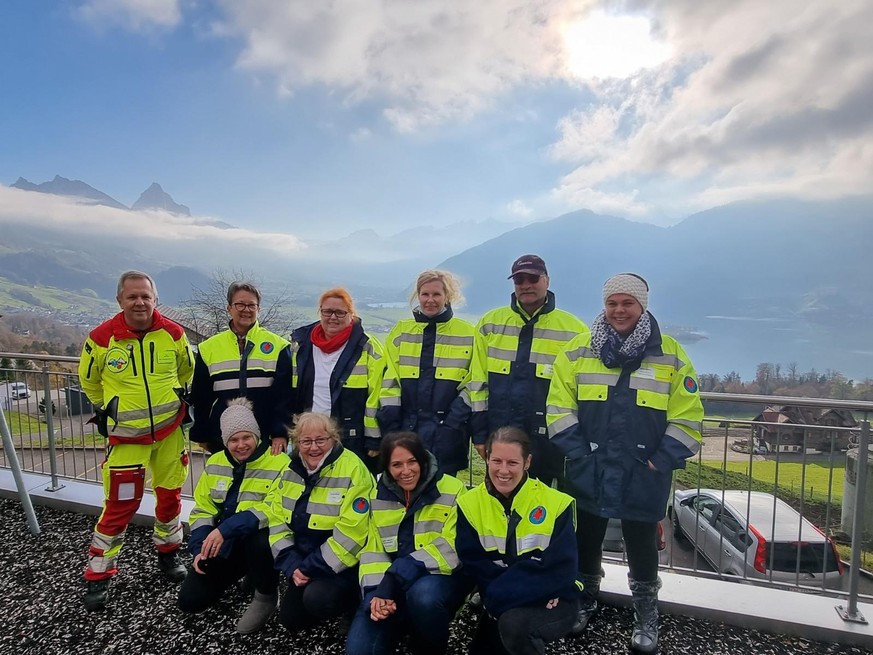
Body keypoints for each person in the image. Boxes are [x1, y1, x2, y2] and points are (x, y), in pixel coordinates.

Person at [546, 273, 704, 653]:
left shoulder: (671, 355)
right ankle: (586, 598)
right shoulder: (578, 351)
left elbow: (689, 418)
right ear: (604, 306)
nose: (619, 311)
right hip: (590, 467)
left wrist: (660, 460)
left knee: (642, 541)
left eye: (627, 303)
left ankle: (646, 610)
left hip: (643, 470)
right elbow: (558, 406)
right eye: (612, 303)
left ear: (642, 306)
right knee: (587, 537)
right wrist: (580, 453)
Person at [78, 270, 194, 611]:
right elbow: (90, 383)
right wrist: (112, 410)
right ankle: (99, 574)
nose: (140, 302)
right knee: (119, 507)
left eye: (145, 295)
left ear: (155, 299)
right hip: (127, 439)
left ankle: (169, 554)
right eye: (133, 296)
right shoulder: (100, 339)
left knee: (170, 498)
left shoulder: (173, 334)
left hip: (170, 433)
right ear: (120, 300)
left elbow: (186, 371)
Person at [462, 255, 587, 486]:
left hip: (550, 445)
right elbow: (477, 385)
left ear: (547, 280)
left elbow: (577, 395)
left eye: (533, 278)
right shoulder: (490, 324)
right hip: (500, 441)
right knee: (498, 505)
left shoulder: (575, 331)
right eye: (519, 279)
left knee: (541, 512)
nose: (526, 284)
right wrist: (480, 436)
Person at [455, 427, 580, 655]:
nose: (503, 470)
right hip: (505, 597)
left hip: (553, 597)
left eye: (512, 462)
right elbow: (475, 563)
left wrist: (505, 595)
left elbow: (562, 569)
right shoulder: (468, 503)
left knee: (514, 626)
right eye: (497, 461)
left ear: (527, 462)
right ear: (487, 459)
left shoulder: (556, 503)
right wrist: (518, 591)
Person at [347, 431, 469, 655]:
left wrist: (394, 578)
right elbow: (373, 550)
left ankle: (429, 646)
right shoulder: (377, 494)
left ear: (423, 460)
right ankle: (401, 620)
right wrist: (376, 594)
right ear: (387, 468)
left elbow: (452, 546)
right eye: (396, 465)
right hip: (390, 584)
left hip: (436, 581)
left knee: (423, 598)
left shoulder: (453, 489)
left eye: (412, 461)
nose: (406, 471)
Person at [178, 398, 289, 633]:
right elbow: (203, 509)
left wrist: (225, 530)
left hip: (256, 541)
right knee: (190, 601)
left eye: (246, 437)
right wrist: (200, 548)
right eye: (233, 439)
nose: (241, 445)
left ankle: (266, 594)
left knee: (260, 539)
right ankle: (246, 571)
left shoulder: (279, 462)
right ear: (225, 441)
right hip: (226, 544)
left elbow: (275, 508)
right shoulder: (216, 462)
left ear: (257, 435)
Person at [267, 412, 375, 633]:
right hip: (304, 558)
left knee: (318, 600)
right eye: (306, 441)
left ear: (334, 439)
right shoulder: (290, 470)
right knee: (292, 621)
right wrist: (291, 564)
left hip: (345, 564)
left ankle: (353, 603)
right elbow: (277, 521)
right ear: (297, 443)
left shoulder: (353, 469)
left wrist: (308, 568)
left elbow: (352, 534)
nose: (313, 447)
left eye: (321, 440)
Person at [378, 270, 475, 475]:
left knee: (443, 499)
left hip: (447, 435)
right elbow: (389, 382)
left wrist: (452, 424)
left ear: (447, 297)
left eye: (436, 294)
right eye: (425, 294)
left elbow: (474, 384)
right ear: (418, 296)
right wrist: (393, 428)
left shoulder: (468, 334)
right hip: (405, 431)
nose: (430, 300)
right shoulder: (401, 331)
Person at [189, 280, 293, 455]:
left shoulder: (279, 346)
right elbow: (201, 398)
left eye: (251, 305)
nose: (246, 309)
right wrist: (202, 434)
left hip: (266, 436)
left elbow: (284, 397)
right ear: (229, 308)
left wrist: (280, 433)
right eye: (240, 304)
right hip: (222, 435)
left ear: (258, 309)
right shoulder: (209, 348)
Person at [291, 288, 386, 472]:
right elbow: (294, 392)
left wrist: (374, 439)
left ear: (351, 314)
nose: (333, 317)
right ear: (320, 312)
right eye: (327, 311)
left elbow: (376, 397)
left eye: (340, 312)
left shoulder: (367, 347)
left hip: (350, 438)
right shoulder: (302, 345)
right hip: (311, 438)